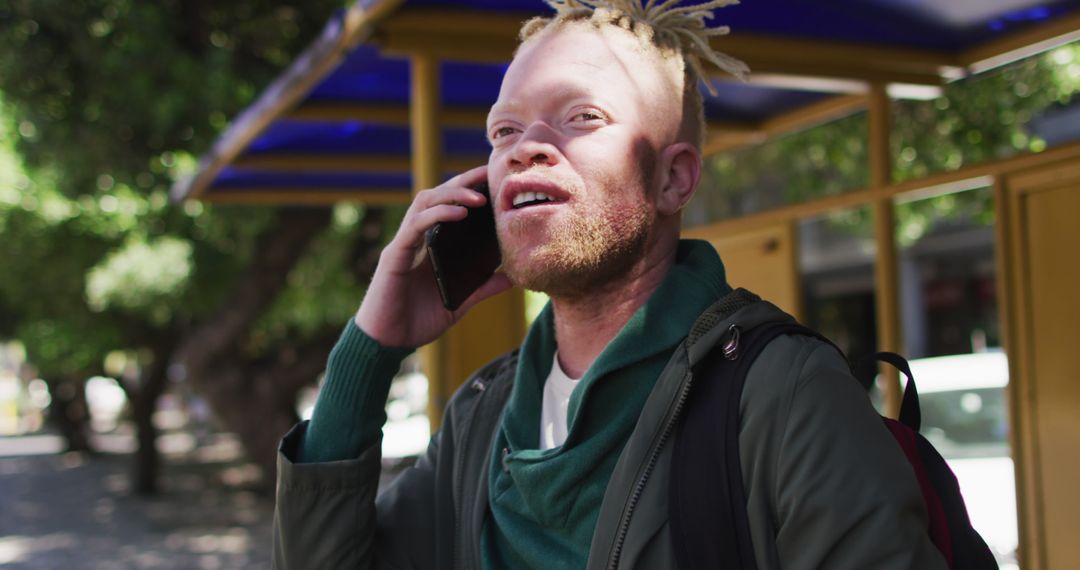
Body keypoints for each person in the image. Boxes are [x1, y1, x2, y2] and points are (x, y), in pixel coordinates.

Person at [272, 1, 947, 568]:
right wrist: (372, 349)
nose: (524, 146)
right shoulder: (485, 413)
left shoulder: (786, 395)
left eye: (581, 117)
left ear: (673, 179)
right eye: (503, 129)